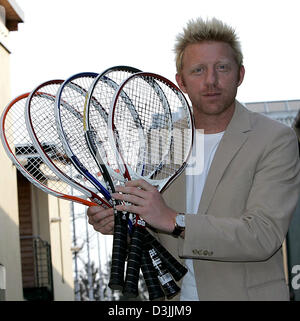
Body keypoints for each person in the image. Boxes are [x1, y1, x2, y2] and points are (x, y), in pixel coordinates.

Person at [87, 17, 300, 300]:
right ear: (181, 81)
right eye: (198, 70)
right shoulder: (164, 142)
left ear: (240, 74)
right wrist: (121, 226)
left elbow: (262, 235)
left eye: (222, 68)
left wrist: (176, 220)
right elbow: (152, 229)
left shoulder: (275, 139)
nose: (211, 80)